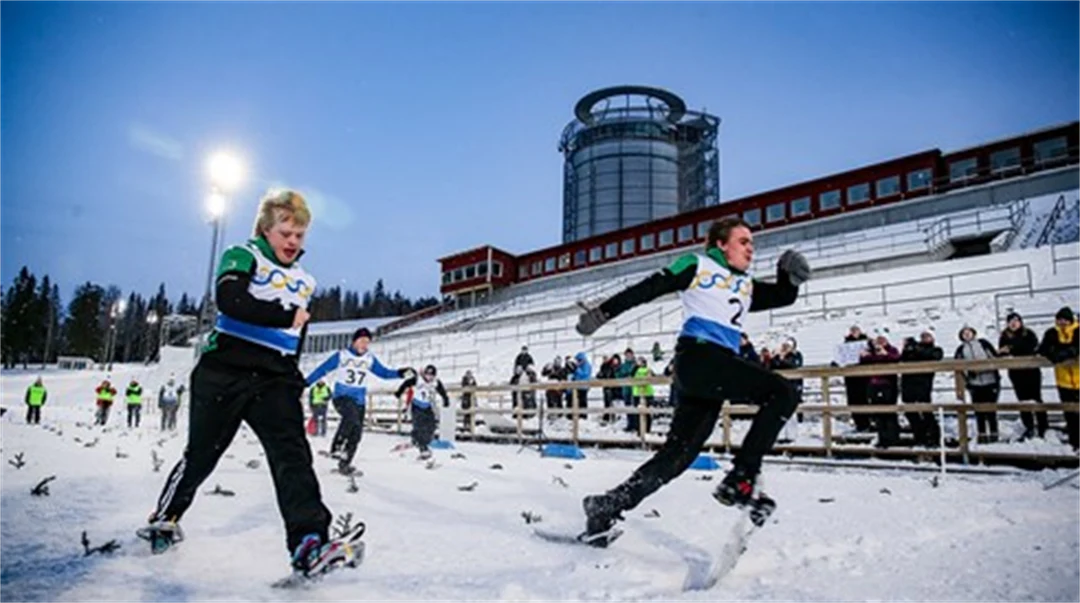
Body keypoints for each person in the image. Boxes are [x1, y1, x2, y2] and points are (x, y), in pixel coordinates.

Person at [573, 217, 810, 545]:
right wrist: (602, 313)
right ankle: (741, 477)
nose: (751, 249)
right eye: (743, 241)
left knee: (677, 457)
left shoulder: (745, 285)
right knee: (782, 392)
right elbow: (649, 288)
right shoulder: (697, 264)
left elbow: (783, 296)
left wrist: (789, 274)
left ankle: (606, 505)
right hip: (700, 357)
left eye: (752, 243)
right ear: (721, 245)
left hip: (711, 368)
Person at [139, 189, 336, 576]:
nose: (293, 242)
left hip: (274, 379)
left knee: (292, 455)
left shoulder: (305, 281)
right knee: (202, 455)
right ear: (266, 229)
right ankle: (167, 515)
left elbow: (297, 338)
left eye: (300, 235)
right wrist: (283, 315)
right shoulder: (243, 254)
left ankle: (309, 541)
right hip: (224, 370)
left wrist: (293, 377)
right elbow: (231, 301)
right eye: (286, 233)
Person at [306, 327, 412, 475]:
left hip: (359, 401)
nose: (364, 345)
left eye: (367, 342)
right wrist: (305, 382)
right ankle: (336, 448)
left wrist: (401, 373)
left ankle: (345, 464)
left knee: (356, 434)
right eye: (361, 341)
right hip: (342, 397)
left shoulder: (369, 359)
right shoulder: (342, 355)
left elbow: (385, 373)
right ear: (354, 341)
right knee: (350, 417)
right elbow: (322, 370)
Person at [998, 312, 1047, 440]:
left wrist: (1012, 348)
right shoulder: (1004, 335)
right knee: (1022, 399)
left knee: (1036, 397)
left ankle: (1043, 426)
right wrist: (1007, 351)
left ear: (1020, 322)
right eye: (1010, 321)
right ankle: (1029, 426)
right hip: (1015, 372)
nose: (1013, 323)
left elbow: (1031, 347)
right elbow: (1001, 351)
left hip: (1031, 370)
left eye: (1016, 321)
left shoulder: (1028, 333)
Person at [1039, 307, 1080, 450]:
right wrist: (1054, 354)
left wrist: (1069, 352)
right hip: (1063, 380)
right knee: (1070, 413)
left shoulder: (1078, 331)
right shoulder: (1051, 333)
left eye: (1065, 319)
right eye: (1059, 319)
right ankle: (1075, 442)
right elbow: (1042, 349)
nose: (1062, 322)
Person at [955, 326, 1001, 444]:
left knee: (991, 409)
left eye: (968, 332)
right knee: (978, 410)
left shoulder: (983, 343)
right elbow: (957, 367)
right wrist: (969, 375)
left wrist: (987, 368)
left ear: (973, 333)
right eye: (964, 333)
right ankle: (982, 434)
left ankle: (994, 433)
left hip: (990, 380)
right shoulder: (961, 349)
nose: (967, 334)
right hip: (974, 383)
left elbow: (994, 357)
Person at [396, 364, 450, 459]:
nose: (429, 377)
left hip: (427, 407)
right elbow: (406, 384)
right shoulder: (417, 379)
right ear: (424, 374)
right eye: (427, 375)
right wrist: (399, 392)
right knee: (420, 427)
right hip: (416, 406)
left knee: (431, 426)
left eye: (431, 376)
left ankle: (417, 439)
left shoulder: (436, 382)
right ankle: (422, 447)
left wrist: (446, 399)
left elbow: (442, 391)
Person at [899, 331, 943, 447]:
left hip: (923, 384)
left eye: (927, 337)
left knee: (926, 411)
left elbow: (933, 356)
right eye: (922, 337)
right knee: (910, 411)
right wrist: (906, 348)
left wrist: (916, 348)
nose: (924, 339)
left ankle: (934, 437)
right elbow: (903, 360)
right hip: (908, 383)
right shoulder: (912, 350)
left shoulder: (936, 350)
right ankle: (919, 436)